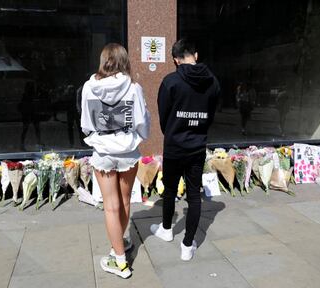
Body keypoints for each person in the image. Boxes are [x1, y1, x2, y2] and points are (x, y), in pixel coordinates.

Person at [80, 43, 150, 278]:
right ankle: (119, 245)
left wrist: (99, 138)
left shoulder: (90, 87)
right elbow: (142, 121)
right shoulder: (133, 87)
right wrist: (134, 139)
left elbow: (86, 123)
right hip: (128, 151)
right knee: (125, 201)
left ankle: (119, 261)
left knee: (110, 206)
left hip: (103, 152)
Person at [151, 39, 220, 261]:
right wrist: (197, 130)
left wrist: (174, 131)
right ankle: (188, 245)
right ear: (196, 55)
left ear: (175, 59)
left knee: (170, 191)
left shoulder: (170, 81)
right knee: (194, 196)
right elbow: (210, 115)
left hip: (174, 146)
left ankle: (167, 229)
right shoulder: (213, 82)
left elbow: (164, 117)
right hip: (197, 146)